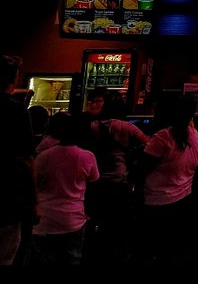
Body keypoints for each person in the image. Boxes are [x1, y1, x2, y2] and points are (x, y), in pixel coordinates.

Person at [135, 92, 198, 266]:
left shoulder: (162, 138)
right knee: (169, 251)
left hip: (156, 203)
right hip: (183, 199)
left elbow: (140, 170)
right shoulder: (195, 136)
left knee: (150, 251)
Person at [83, 90, 149, 265]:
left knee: (98, 217)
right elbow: (148, 144)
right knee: (119, 221)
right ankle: (117, 254)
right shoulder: (126, 126)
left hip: (97, 178)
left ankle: (97, 253)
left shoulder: (94, 126)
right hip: (119, 179)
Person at [29, 113, 99, 266]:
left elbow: (34, 184)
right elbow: (94, 183)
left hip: (44, 218)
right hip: (73, 217)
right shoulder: (87, 156)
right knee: (71, 259)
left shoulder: (43, 156)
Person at [0, 55, 35, 265]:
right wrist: (34, 202)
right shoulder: (17, 111)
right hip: (8, 198)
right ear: (13, 78)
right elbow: (27, 159)